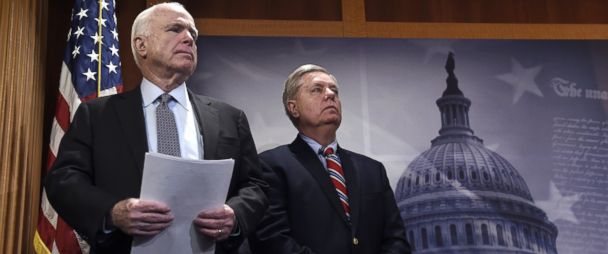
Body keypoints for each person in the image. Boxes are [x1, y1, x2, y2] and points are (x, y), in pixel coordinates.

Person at [45, 3, 267, 253]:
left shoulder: (230, 118)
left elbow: (255, 186)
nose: (189, 39)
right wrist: (113, 212)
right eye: (176, 29)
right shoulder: (97, 115)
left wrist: (235, 215)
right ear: (142, 45)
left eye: (193, 35)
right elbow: (63, 180)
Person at [249, 64, 410, 253]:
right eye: (317, 89)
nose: (330, 94)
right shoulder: (271, 166)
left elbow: (396, 240)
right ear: (293, 108)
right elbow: (272, 240)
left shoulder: (373, 170)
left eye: (334, 90)